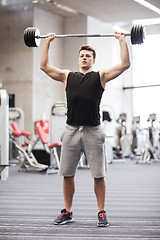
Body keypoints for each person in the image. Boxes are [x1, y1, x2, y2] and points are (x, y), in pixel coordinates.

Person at [40, 31, 130, 227]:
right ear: (78, 59)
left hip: (93, 131)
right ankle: (68, 211)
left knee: (98, 174)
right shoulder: (67, 76)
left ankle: (101, 212)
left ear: (93, 60)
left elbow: (125, 64)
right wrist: (47, 42)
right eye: (81, 55)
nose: (84, 57)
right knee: (67, 173)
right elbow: (44, 66)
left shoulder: (101, 76)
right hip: (71, 130)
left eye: (88, 55)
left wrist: (122, 41)